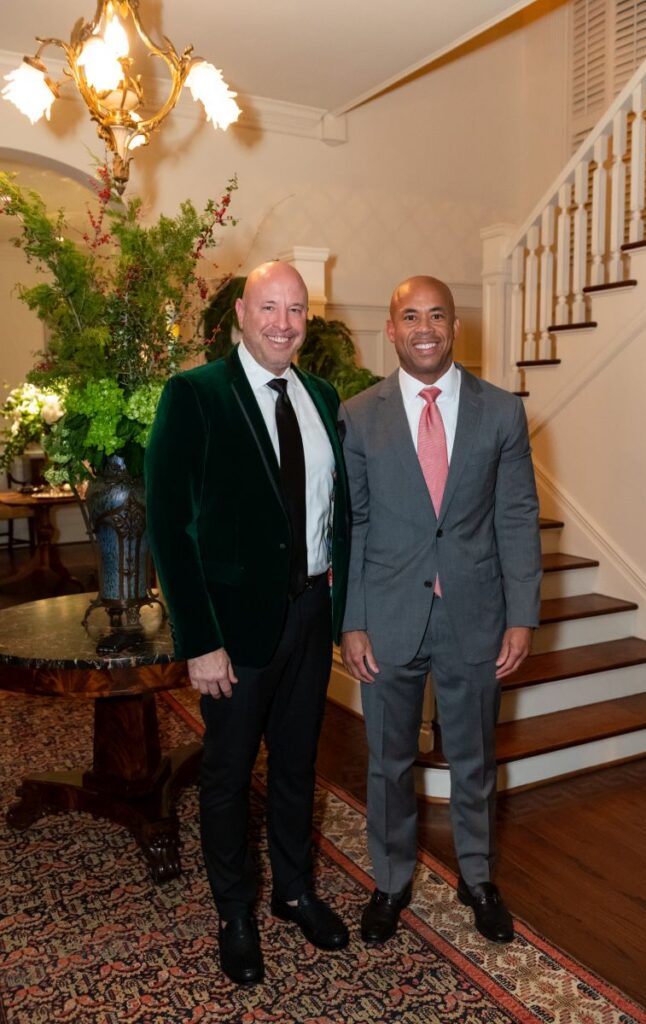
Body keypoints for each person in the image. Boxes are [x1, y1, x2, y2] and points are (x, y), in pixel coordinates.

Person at [145, 260, 350, 985]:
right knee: (228, 777)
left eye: (295, 310)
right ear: (239, 314)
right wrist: (199, 639)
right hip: (231, 631)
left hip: (310, 612)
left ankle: (294, 891)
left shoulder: (323, 397)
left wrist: (343, 608)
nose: (283, 324)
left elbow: (338, 513)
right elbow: (170, 527)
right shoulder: (195, 394)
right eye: (268, 308)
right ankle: (234, 911)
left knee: (297, 766)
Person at [340, 275, 541, 945]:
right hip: (388, 614)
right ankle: (391, 881)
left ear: (456, 327)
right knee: (387, 761)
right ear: (390, 330)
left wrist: (521, 614)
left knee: (474, 759)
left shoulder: (501, 412)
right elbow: (355, 524)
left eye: (436, 315)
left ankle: (477, 877)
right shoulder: (358, 415)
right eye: (408, 316)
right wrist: (352, 619)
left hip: (476, 614)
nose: (423, 326)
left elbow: (515, 517)